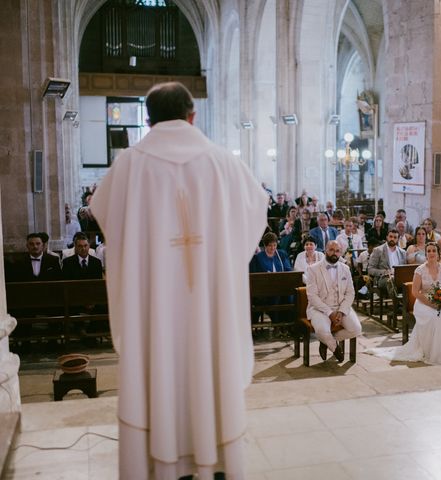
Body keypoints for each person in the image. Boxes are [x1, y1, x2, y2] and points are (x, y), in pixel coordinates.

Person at [90, 81, 267, 480]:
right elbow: (256, 213)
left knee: (158, 367)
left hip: (155, 312)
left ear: (148, 121)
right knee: (212, 364)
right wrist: (218, 262)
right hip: (209, 306)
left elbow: (104, 217)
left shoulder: (130, 165)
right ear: (193, 116)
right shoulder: (223, 162)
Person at [370, 243, 441, 364]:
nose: (431, 253)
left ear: (439, 253)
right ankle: (429, 352)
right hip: (423, 302)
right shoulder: (420, 270)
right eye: (428, 251)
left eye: (434, 250)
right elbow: (415, 291)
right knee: (433, 317)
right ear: (425, 254)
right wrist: (430, 303)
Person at [305, 240, 362, 362]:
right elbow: (312, 296)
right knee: (323, 331)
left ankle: (327, 342)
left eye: (337, 251)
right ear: (325, 250)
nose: (334, 253)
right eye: (331, 250)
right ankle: (334, 347)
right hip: (320, 309)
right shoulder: (313, 269)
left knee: (356, 329)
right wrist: (330, 313)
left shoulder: (345, 268)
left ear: (341, 252)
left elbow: (350, 293)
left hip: (341, 306)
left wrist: (341, 311)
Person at [367, 229, 407, 297]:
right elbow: (370, 269)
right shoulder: (378, 250)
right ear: (387, 237)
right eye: (390, 236)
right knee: (391, 280)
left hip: (399, 277)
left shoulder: (402, 252)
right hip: (383, 278)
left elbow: (404, 268)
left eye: (395, 237)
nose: (392, 239)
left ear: (397, 239)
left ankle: (407, 303)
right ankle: (396, 303)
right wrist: (385, 272)